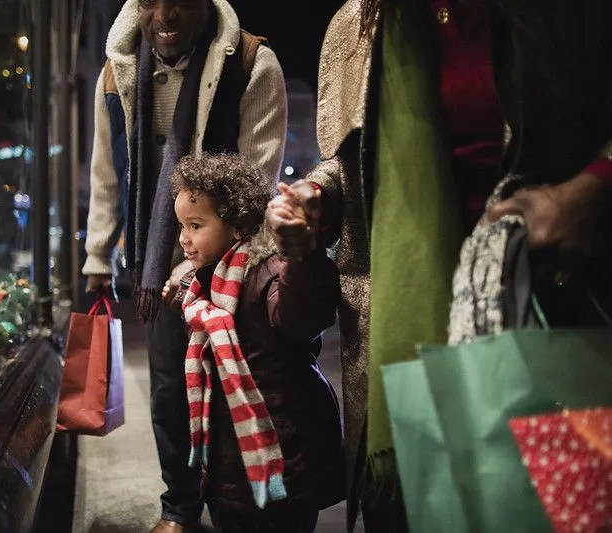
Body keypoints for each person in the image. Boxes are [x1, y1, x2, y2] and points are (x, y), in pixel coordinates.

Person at [265, 0, 612, 531]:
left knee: (550, 511)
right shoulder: (357, 24)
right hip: (408, 338)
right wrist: (315, 196)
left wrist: (591, 192)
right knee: (413, 511)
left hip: (551, 315)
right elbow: (353, 163)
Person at [82, 1, 287, 531]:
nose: (164, 15)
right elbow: (108, 173)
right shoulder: (118, 71)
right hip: (156, 266)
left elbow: (256, 181)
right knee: (171, 389)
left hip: (232, 264)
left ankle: (241, 506)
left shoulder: (250, 63)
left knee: (236, 384)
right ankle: (179, 508)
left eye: (179, 1)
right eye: (151, 2)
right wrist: (98, 254)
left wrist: (211, 265)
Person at [163, 153, 346, 533]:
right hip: (226, 464)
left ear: (234, 226)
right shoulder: (201, 285)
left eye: (195, 225)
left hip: (284, 455)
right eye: (181, 225)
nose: (183, 237)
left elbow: (302, 315)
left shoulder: (270, 272)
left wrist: (302, 255)